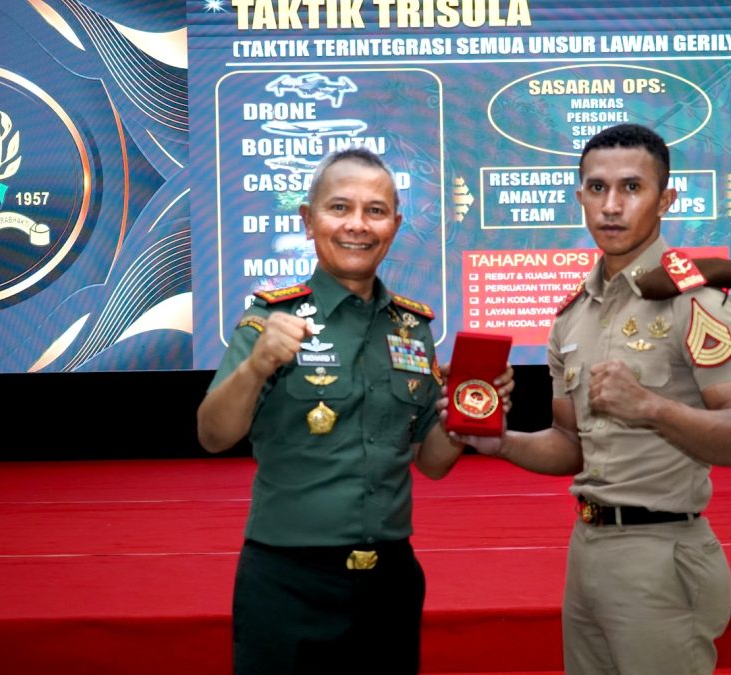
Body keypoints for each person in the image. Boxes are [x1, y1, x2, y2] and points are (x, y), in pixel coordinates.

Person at [197, 148, 512, 675]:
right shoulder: (270, 320)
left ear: (395, 226)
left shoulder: (412, 329)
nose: (357, 226)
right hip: (287, 580)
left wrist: (470, 407)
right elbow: (212, 435)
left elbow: (431, 461)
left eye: (376, 211)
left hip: (389, 580)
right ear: (308, 220)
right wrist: (256, 366)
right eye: (339, 208)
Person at [474, 124, 731, 674]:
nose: (611, 206)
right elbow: (570, 445)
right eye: (597, 188)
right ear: (580, 196)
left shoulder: (695, 302)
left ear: (666, 200)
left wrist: (649, 407)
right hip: (587, 548)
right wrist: (499, 442)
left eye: (632, 188)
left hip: (661, 553)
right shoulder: (573, 316)